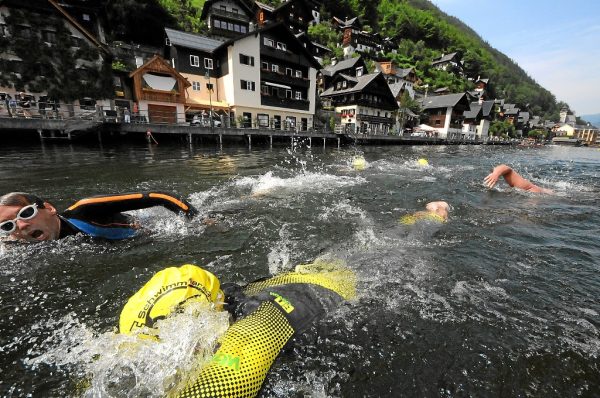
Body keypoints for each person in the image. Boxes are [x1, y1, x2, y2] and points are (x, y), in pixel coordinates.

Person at [118, 261, 356, 397]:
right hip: (300, 274)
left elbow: (224, 383)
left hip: (339, 287)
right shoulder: (219, 305)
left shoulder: (253, 329)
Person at [0, 191, 197, 242]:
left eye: (25, 214)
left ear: (50, 208)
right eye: (8, 226)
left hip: (144, 232)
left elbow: (160, 197)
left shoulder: (85, 209)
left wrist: (197, 220)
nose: (21, 227)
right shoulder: (18, 245)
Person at [484, 164, 553, 194]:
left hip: (536, 192)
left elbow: (505, 167)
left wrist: (496, 174)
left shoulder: (523, 186)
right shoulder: (516, 184)